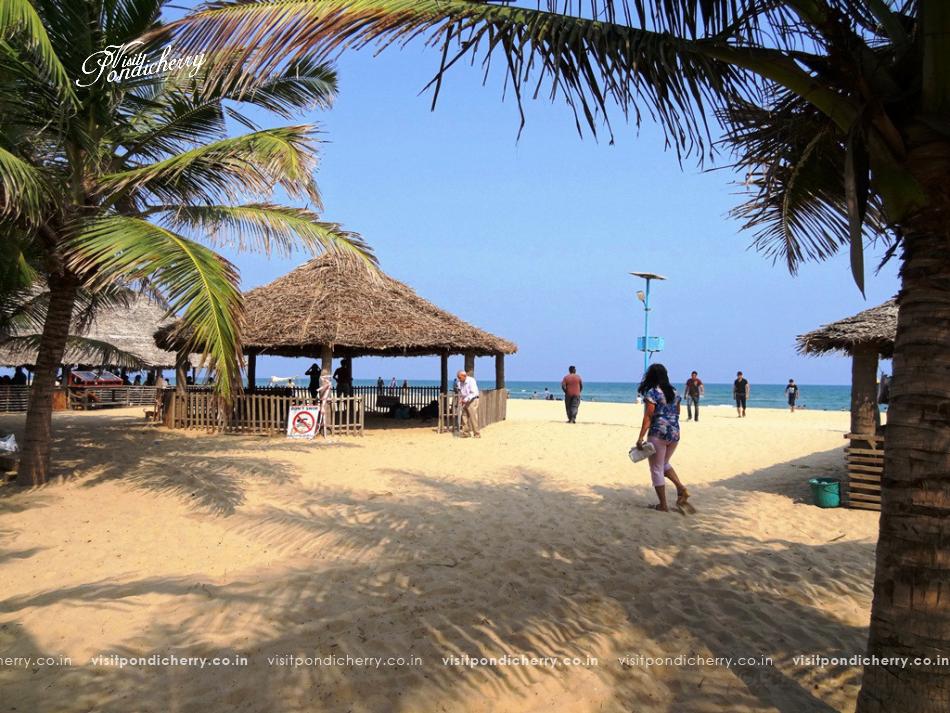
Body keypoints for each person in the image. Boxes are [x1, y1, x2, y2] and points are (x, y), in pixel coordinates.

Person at [635, 363, 690, 512]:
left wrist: (640, 438)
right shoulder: (674, 391)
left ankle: (663, 505)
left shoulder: (653, 393)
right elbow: (677, 412)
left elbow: (648, 416)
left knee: (656, 468)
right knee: (664, 463)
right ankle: (681, 488)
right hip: (674, 433)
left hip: (658, 433)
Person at [456, 370, 480, 438]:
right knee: (464, 417)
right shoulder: (459, 382)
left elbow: (474, 393)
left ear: (464, 376)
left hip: (472, 400)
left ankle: (477, 434)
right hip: (464, 400)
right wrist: (461, 399)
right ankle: (466, 433)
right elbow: (461, 392)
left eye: (460, 377)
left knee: (473, 417)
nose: (459, 379)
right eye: (458, 377)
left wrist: (466, 399)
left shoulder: (471, 381)